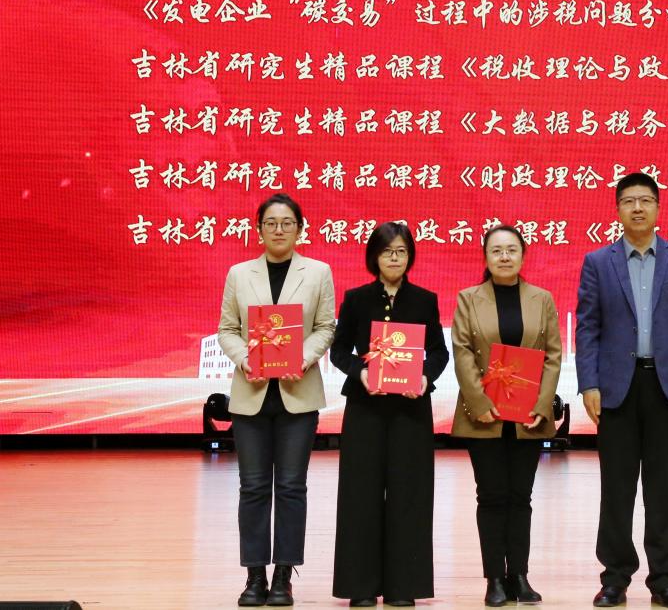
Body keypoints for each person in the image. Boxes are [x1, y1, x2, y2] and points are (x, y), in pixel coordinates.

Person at [576, 172, 668, 609]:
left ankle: (664, 580)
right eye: (629, 201)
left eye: (645, 200)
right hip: (616, 388)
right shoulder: (598, 261)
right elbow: (587, 328)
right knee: (616, 490)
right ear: (617, 209)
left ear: (658, 208)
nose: (637, 208)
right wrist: (589, 383)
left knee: (662, 489)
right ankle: (614, 579)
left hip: (665, 386)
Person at [217, 193, 336, 607]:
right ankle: (254, 577)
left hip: (297, 396)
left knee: (290, 487)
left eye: (287, 223)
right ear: (259, 229)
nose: (279, 230)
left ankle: (284, 576)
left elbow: (325, 327)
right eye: (271, 223)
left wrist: (302, 359)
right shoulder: (239, 274)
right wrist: (244, 358)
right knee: (252, 487)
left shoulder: (318, 272)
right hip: (251, 396)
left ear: (300, 229)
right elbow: (227, 329)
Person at [330, 222, 450, 607]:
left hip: (410, 409)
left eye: (401, 251)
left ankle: (403, 587)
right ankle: (361, 587)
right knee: (360, 493)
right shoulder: (356, 299)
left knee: (409, 493)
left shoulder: (425, 300)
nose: (394, 258)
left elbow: (439, 352)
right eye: (387, 251)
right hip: (365, 408)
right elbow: (338, 351)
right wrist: (360, 372)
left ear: (409, 256)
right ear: (374, 257)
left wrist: (425, 376)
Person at [451, 225, 563, 607]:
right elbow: (463, 352)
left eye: (511, 250)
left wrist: (541, 405)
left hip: (528, 417)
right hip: (484, 416)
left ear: (523, 255)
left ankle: (519, 575)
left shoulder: (541, 299)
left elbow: (552, 355)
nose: (504, 256)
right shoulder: (469, 299)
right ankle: (494, 580)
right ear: (485, 257)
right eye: (496, 250)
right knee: (491, 496)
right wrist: (480, 402)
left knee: (521, 497)